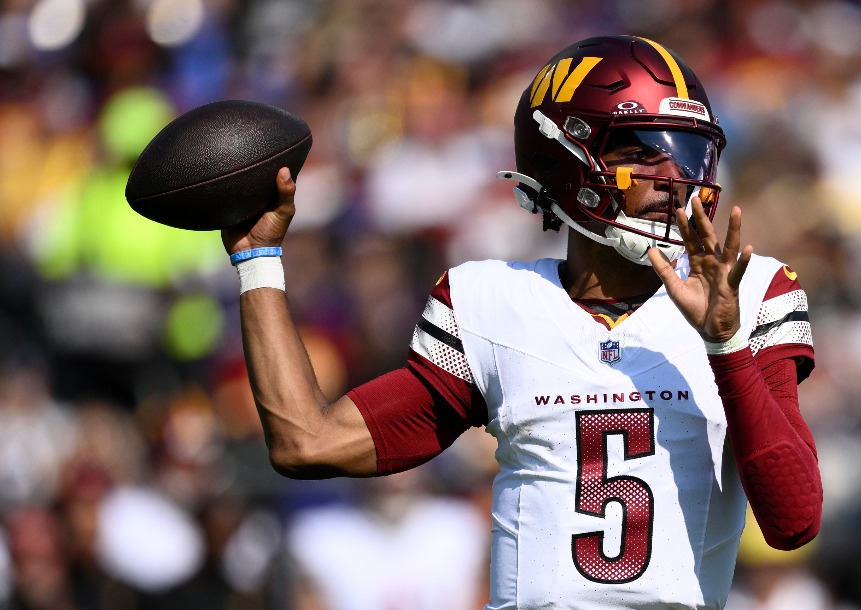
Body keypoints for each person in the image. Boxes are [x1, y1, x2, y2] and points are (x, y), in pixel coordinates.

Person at [223, 35, 822, 609]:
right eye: (640, 151)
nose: (672, 179)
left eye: (687, 152)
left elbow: (794, 521)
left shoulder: (752, 292)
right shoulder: (491, 303)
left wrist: (724, 342)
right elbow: (307, 443)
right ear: (566, 159)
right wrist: (257, 260)